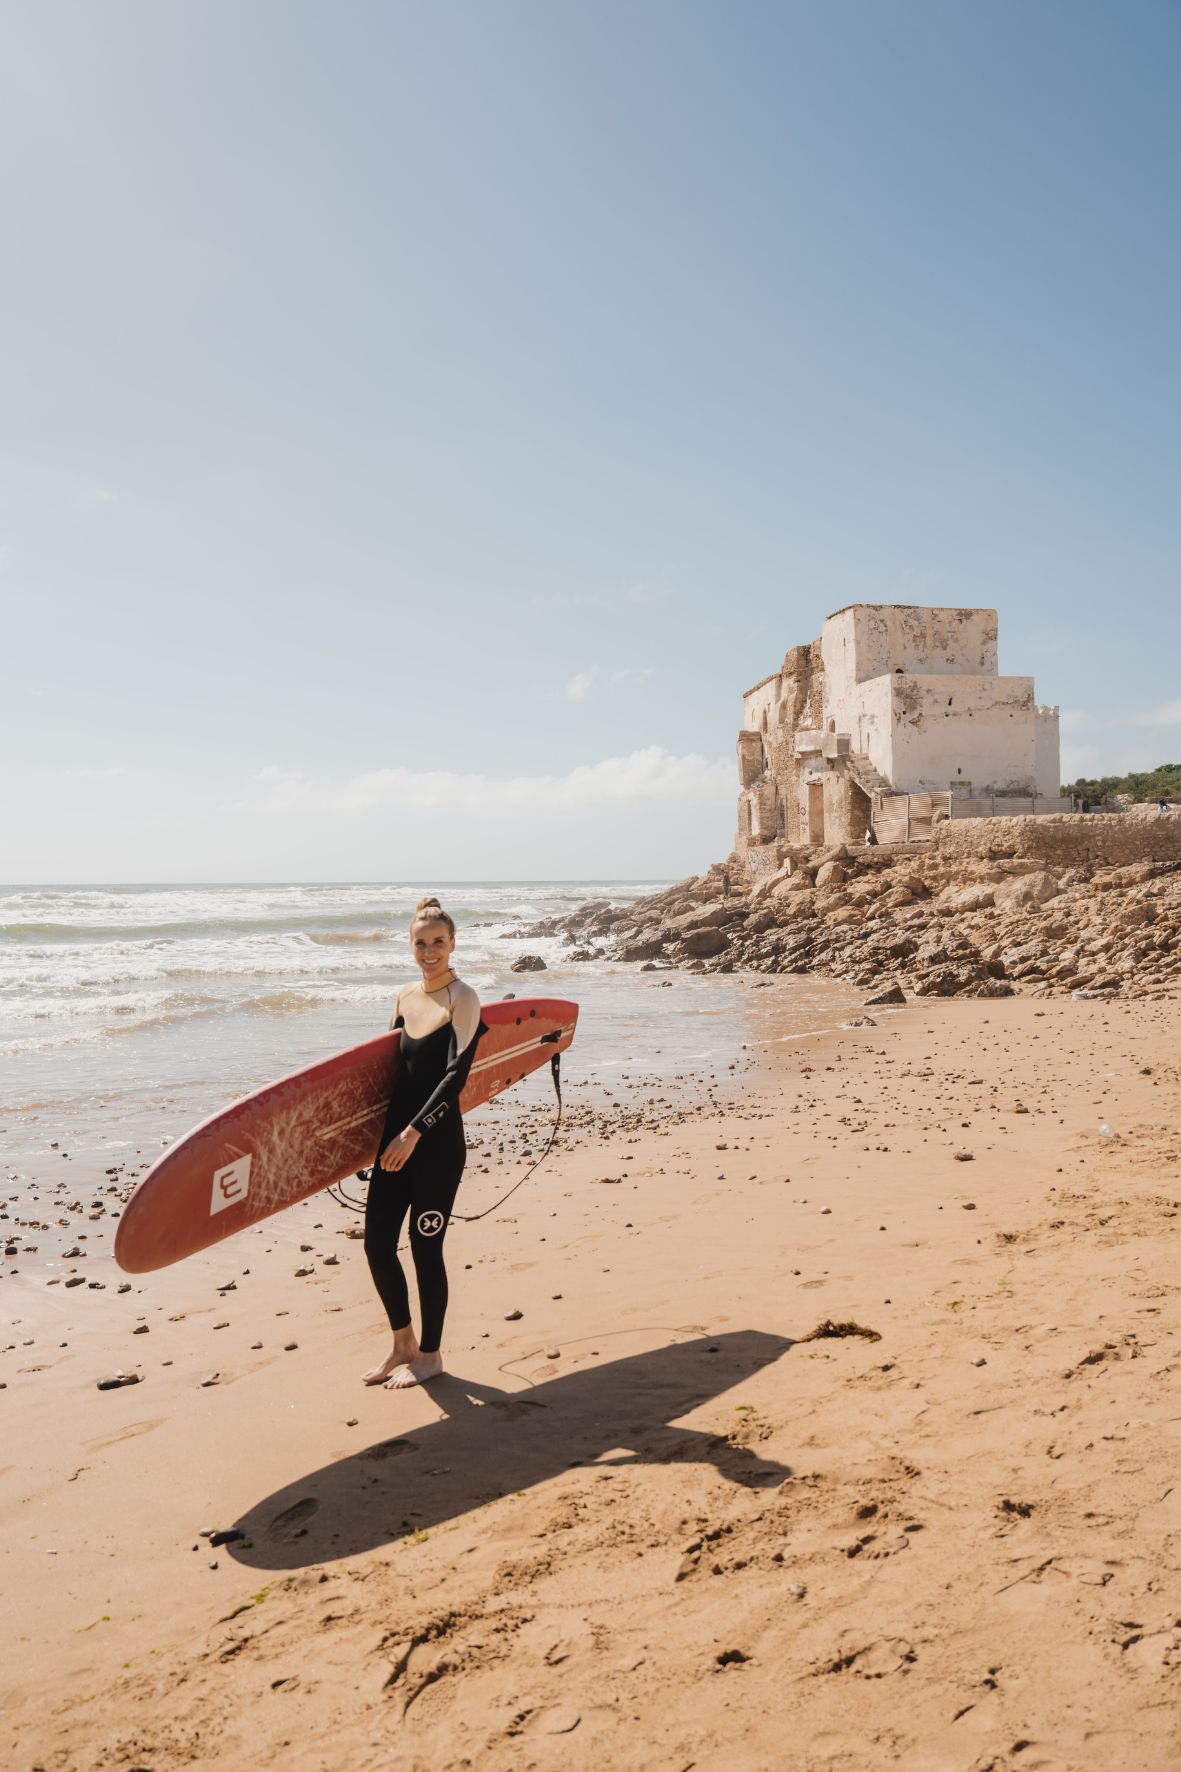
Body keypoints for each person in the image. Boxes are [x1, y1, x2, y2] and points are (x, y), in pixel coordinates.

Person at [362, 896, 485, 1389]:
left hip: (434, 1144)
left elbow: (455, 1076)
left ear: (453, 944)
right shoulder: (404, 997)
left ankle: (431, 1355)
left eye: (438, 942)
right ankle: (402, 1344)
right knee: (375, 1245)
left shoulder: (465, 998)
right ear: (410, 946)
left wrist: (414, 1133)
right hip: (393, 1143)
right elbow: (385, 1077)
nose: (429, 951)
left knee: (425, 1248)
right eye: (421, 943)